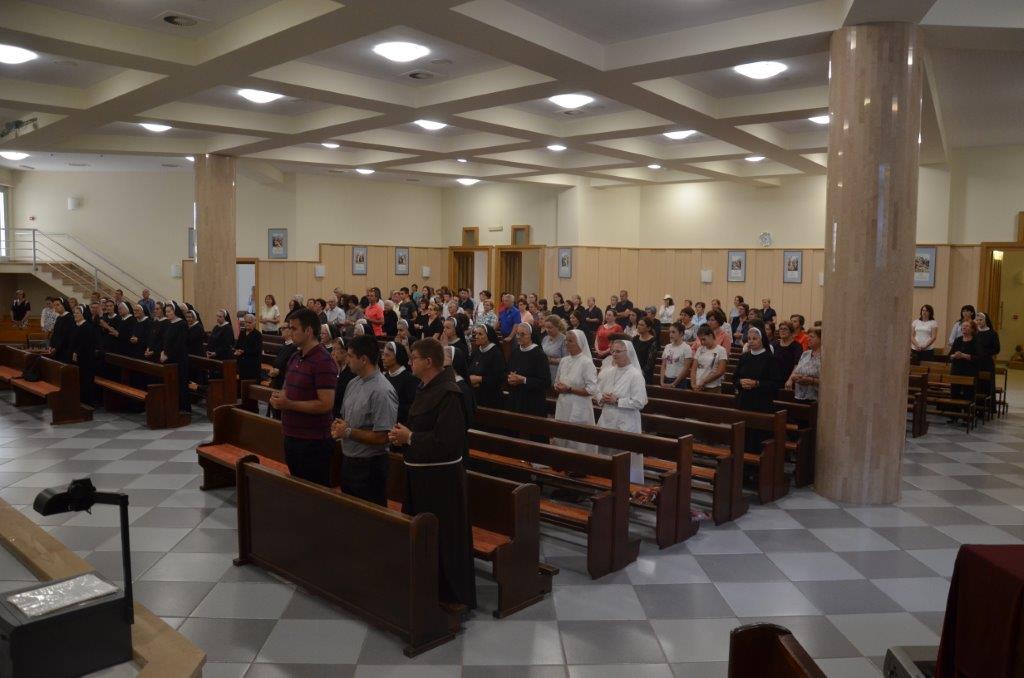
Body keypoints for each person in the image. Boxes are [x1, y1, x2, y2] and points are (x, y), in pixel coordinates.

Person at [387, 338, 476, 609]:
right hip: (420, 477)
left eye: (413, 358)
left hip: (441, 483)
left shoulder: (450, 394)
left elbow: (447, 442)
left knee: (442, 540)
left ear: (428, 362)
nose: (409, 362)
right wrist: (402, 436)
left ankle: (447, 595)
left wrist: (410, 438)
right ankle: (423, 585)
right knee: (421, 536)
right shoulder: (426, 388)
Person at [269, 309, 339, 486]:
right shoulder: (295, 357)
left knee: (313, 491)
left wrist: (288, 404)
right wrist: (279, 397)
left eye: (294, 328)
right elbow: (287, 389)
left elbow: (326, 404)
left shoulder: (323, 361)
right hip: (292, 435)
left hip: (313, 441)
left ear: (308, 331)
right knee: (298, 488)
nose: (290, 332)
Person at [326, 335, 398, 505]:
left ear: (364, 359)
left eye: (351, 356)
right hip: (349, 459)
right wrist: (338, 427)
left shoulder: (382, 391)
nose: (347, 359)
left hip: (370, 466)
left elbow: (383, 436)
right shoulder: (353, 383)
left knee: (369, 516)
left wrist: (348, 432)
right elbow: (346, 419)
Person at [595, 340, 647, 483]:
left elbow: (640, 402)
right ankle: (604, 484)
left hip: (627, 422)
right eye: (613, 351)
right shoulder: (608, 372)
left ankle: (628, 486)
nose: (614, 354)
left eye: (618, 351)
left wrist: (617, 401)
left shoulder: (635, 375)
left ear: (627, 353)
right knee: (605, 456)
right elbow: (597, 391)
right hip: (607, 419)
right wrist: (601, 398)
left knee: (624, 459)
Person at [734, 327, 781, 451]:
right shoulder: (744, 357)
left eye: (755, 338)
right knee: (743, 434)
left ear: (762, 339)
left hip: (761, 403)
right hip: (743, 401)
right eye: (749, 338)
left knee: (758, 436)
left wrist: (757, 383)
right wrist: (740, 382)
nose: (751, 341)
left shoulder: (770, 358)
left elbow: (775, 383)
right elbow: (735, 378)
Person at [552, 329, 598, 453]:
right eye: (566, 340)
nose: (566, 343)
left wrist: (570, 389)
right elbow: (557, 381)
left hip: (579, 405)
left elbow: (592, 389)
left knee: (577, 441)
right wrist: (557, 386)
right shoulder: (564, 360)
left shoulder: (586, 363)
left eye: (570, 341)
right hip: (563, 404)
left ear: (579, 343)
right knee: (561, 435)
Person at [506, 322, 551, 418]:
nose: (518, 337)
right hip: (515, 398)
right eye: (517, 334)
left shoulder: (539, 355)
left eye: (522, 334)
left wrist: (524, 380)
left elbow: (546, 382)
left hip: (532, 402)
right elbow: (508, 371)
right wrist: (509, 378)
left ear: (531, 335)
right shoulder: (515, 352)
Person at [160, 302, 190, 413]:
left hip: (179, 359)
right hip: (169, 359)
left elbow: (179, 344)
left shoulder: (182, 324)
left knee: (180, 383)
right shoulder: (169, 323)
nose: (167, 314)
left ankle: (184, 408)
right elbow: (165, 340)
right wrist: (163, 352)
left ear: (175, 311)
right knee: (171, 383)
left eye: (169, 312)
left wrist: (167, 355)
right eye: (166, 312)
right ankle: (172, 405)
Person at [467, 324, 507, 408]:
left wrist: (479, 379)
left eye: (480, 334)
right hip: (476, 396)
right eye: (476, 334)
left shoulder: (496, 354)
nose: (476, 336)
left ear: (488, 336)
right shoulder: (476, 351)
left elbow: (500, 378)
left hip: (491, 399)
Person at [382, 341, 419, 425]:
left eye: (387, 355)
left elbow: (411, 407)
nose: (383, 358)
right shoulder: (385, 376)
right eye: (383, 354)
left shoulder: (409, 379)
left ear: (397, 357)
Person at [786, 328, 821, 402]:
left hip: (815, 399)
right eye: (808, 336)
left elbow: (827, 381)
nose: (808, 339)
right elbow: (797, 370)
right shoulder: (805, 354)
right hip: (799, 396)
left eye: (812, 337)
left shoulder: (825, 356)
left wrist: (811, 380)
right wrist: (794, 377)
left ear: (820, 339)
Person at [70, 305, 96, 405]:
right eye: (74, 313)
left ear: (83, 314)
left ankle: (86, 402)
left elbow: (86, 343)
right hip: (77, 357)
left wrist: (77, 352)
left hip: (86, 358)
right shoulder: (76, 325)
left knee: (86, 379)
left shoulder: (87, 326)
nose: (75, 315)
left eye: (77, 313)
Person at [691, 324, 728, 393]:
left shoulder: (721, 350)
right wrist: (693, 384)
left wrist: (704, 382)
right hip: (698, 386)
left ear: (711, 336)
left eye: (704, 339)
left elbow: (720, 371)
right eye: (700, 340)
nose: (702, 342)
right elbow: (694, 369)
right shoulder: (700, 349)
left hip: (712, 387)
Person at [976, 312, 1000, 411]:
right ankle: (976, 406)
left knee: (987, 384)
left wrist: (984, 352)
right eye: (977, 320)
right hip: (976, 363)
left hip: (987, 363)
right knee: (977, 384)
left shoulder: (992, 333)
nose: (979, 322)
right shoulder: (975, 333)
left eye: (981, 320)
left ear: (986, 320)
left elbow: (997, 349)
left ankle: (988, 407)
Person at [661, 321, 693, 389]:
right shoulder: (667, 346)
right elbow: (663, 366)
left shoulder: (686, 348)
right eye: (670, 332)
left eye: (673, 332)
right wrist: (662, 382)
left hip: (679, 381)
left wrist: (674, 383)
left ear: (681, 333)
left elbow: (686, 369)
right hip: (666, 379)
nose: (670, 334)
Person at [233, 313, 263, 381]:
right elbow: (238, 345)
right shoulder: (242, 332)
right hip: (242, 363)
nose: (247, 324)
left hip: (252, 364)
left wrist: (244, 351)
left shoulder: (257, 335)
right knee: (242, 382)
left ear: (254, 323)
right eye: (246, 322)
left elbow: (257, 350)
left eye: (249, 322)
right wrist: (237, 350)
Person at [631, 316, 659, 383]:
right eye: (638, 324)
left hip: (645, 374)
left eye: (642, 325)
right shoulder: (635, 339)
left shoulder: (653, 341)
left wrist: (640, 372)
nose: (638, 326)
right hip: (633, 371)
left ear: (648, 328)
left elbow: (650, 362)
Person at [541, 315, 567, 383]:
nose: (547, 330)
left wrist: (549, 360)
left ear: (557, 327)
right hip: (544, 371)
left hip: (557, 372)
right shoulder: (545, 338)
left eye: (550, 327)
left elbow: (566, 360)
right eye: (546, 327)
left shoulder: (564, 340)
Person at [48, 298, 74, 363]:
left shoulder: (69, 317)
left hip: (64, 350)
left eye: (58, 305)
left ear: (64, 305)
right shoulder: (59, 317)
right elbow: (54, 333)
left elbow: (66, 336)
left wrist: (56, 348)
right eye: (54, 305)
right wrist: (51, 345)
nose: (55, 307)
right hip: (56, 349)